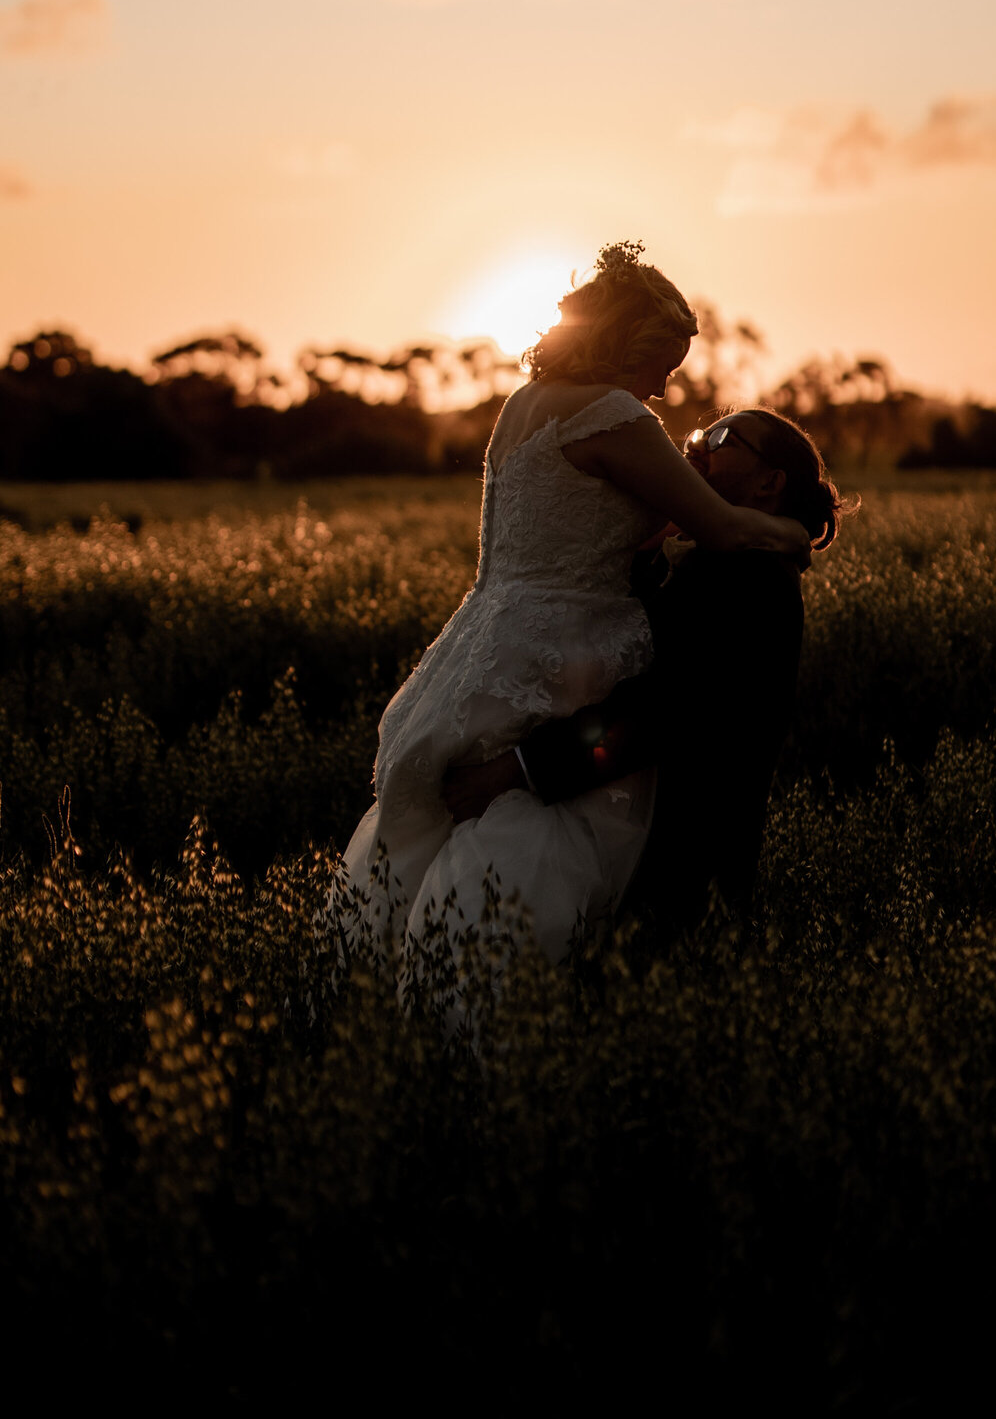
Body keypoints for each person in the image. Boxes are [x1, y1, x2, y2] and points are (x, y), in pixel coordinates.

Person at [339, 245, 811, 971]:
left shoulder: (521, 406)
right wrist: (793, 531)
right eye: (668, 360)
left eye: (721, 437)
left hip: (488, 642)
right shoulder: (614, 414)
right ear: (637, 342)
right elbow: (716, 526)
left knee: (470, 837)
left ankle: (421, 1006)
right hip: (563, 649)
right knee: (531, 846)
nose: (669, 384)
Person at [442, 410, 846, 952]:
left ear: (768, 482)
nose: (698, 446)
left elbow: (662, 712)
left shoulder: (750, 581)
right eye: (699, 434)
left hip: (681, 863)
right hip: (649, 848)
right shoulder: (723, 563)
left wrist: (517, 770)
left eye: (721, 438)